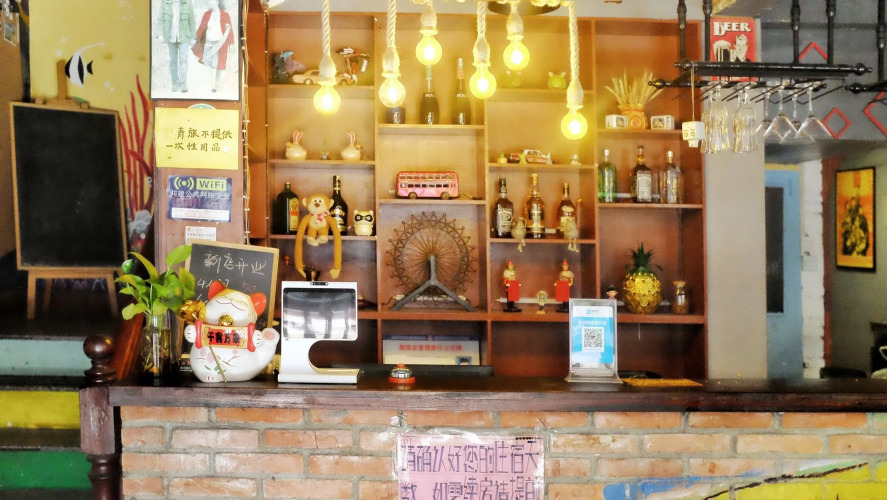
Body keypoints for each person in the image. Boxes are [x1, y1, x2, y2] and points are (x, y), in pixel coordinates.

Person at [192, 0, 235, 92]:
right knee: (212, 64)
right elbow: (201, 27)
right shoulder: (207, 14)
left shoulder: (225, 15)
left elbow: (230, 30)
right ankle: (214, 84)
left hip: (220, 43)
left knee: (217, 64)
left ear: (217, 2)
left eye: (211, 1)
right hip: (209, 42)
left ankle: (214, 84)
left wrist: (231, 43)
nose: (209, 2)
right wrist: (195, 38)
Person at [160, 0, 196, 93]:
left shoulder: (187, 3)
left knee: (183, 60)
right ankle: (175, 83)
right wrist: (160, 34)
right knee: (173, 61)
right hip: (170, 37)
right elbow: (160, 20)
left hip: (184, 37)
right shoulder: (165, 3)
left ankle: (183, 84)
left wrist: (193, 37)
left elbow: (192, 21)